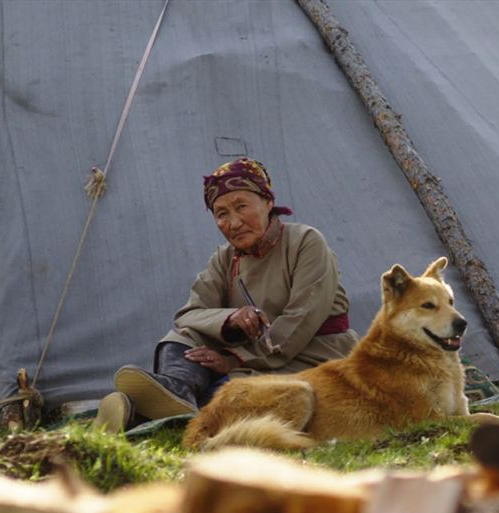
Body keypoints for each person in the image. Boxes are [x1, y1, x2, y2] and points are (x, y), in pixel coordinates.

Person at [94, 157, 359, 433]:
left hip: (310, 354)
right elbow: (189, 315)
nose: (233, 222)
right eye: (221, 214)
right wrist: (230, 318)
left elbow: (299, 322)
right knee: (184, 335)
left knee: (230, 389)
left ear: (268, 202)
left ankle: (138, 413)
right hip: (253, 354)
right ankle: (178, 388)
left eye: (241, 206)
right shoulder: (226, 258)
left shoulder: (305, 242)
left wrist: (236, 358)